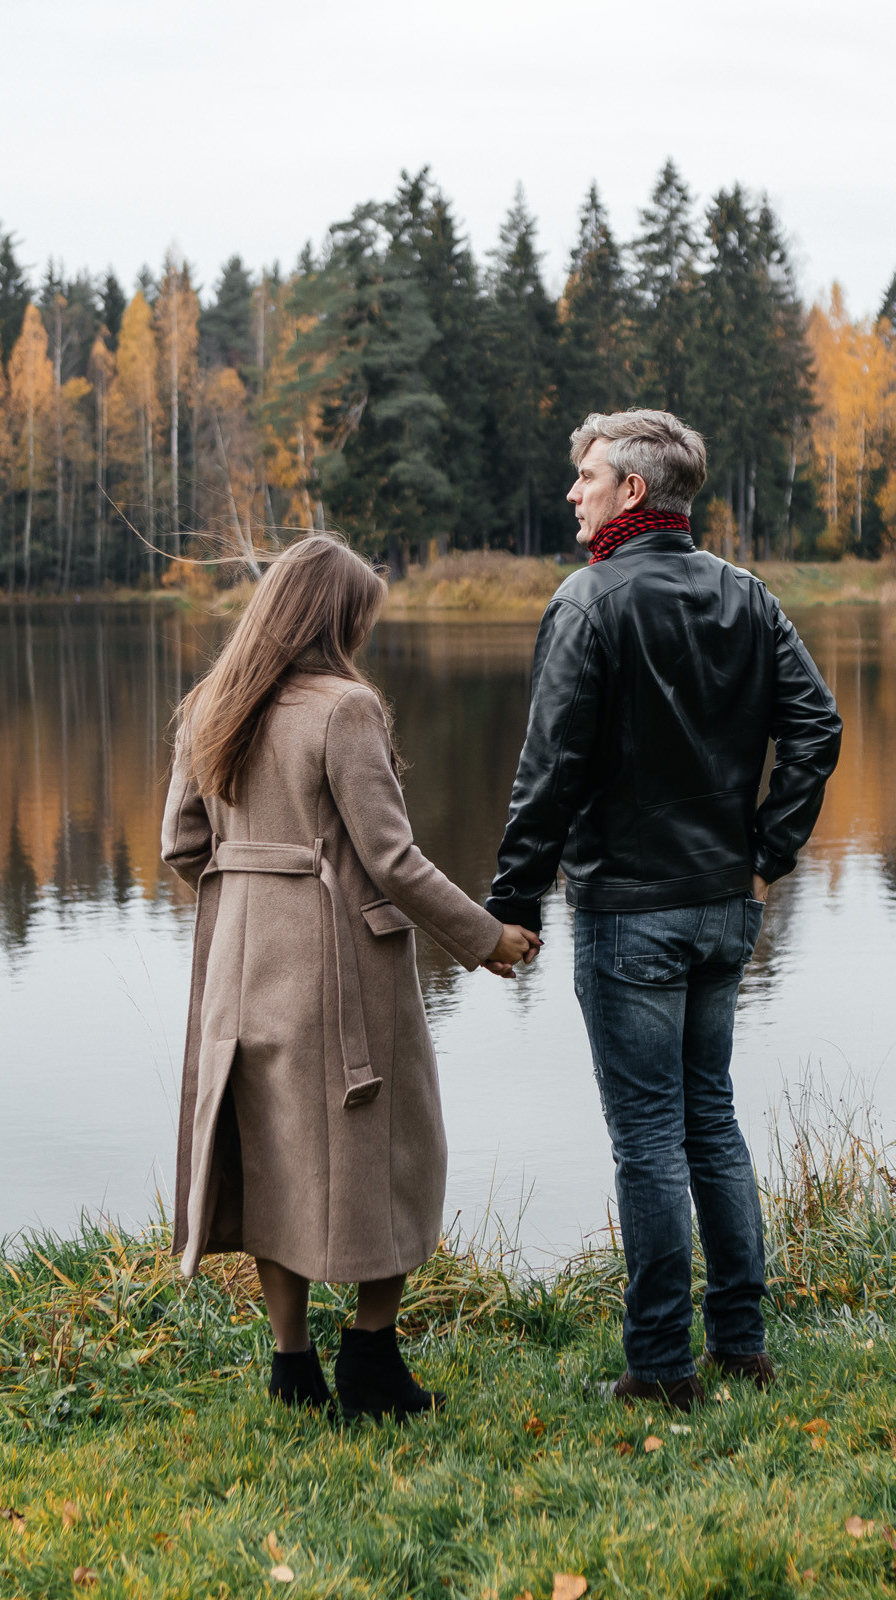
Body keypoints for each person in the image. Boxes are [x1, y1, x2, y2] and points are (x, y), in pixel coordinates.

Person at [485, 410, 842, 1410]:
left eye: (588, 476)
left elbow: (548, 771)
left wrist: (512, 900)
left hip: (631, 912)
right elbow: (817, 726)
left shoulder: (588, 601)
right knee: (710, 1122)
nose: (574, 492)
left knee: (648, 1138)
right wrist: (764, 856)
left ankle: (660, 1367)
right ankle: (741, 1345)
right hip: (724, 906)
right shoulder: (747, 594)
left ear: (632, 490)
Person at [161, 534, 540, 1419]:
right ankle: (371, 1359)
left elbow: (182, 846)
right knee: (395, 1148)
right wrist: (486, 938)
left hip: (240, 968)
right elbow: (392, 860)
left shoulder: (212, 702)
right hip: (342, 970)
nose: (365, 634)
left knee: (272, 1155)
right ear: (332, 618)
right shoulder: (346, 708)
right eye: (362, 617)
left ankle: (292, 1365)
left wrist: (252, 899)